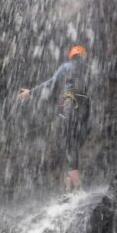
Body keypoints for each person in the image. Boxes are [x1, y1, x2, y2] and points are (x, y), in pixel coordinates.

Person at [18, 44, 92, 190]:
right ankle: (68, 191)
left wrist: (31, 92)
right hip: (85, 108)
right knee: (74, 145)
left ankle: (79, 190)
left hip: (71, 106)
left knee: (69, 146)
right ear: (84, 56)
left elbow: (51, 82)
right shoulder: (88, 70)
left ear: (71, 56)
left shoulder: (66, 67)